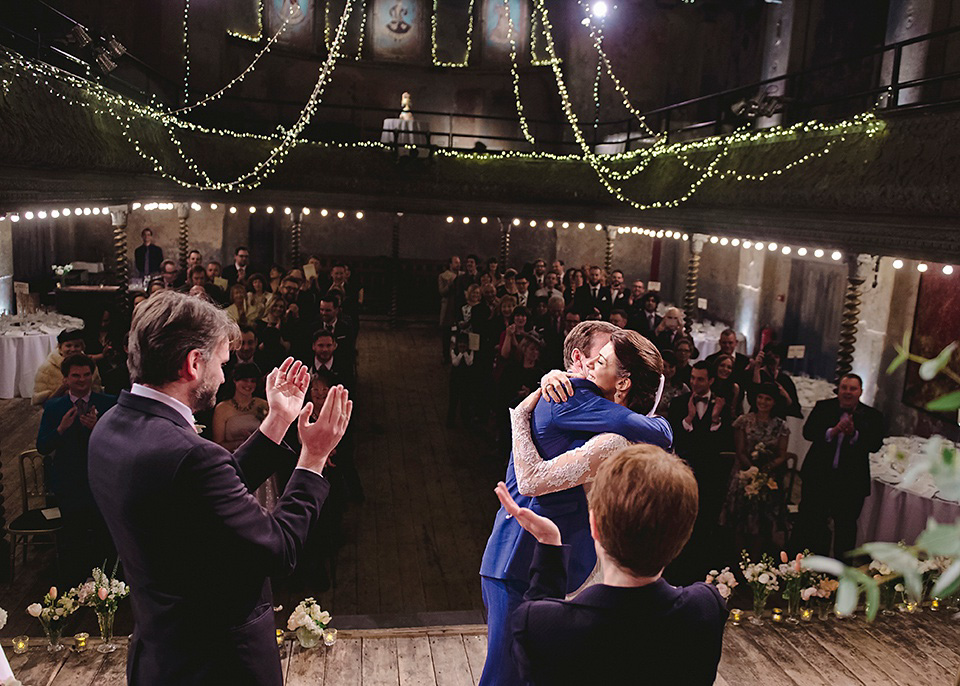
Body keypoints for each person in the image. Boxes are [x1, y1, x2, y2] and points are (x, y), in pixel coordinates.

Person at [88, 290, 352, 686]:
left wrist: (277, 420)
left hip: (159, 657)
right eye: (221, 363)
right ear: (194, 363)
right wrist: (313, 457)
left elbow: (198, 499)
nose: (224, 376)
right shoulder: (191, 456)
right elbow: (279, 549)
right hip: (219, 664)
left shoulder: (110, 427)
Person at [479, 323, 672, 686]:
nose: (594, 365)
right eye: (597, 356)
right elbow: (532, 480)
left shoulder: (603, 419)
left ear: (624, 381)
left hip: (568, 564)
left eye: (605, 359)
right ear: (578, 360)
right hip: (518, 560)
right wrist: (521, 413)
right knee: (505, 677)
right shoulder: (564, 398)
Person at [500, 444, 726, 686]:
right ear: (683, 534)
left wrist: (549, 546)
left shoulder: (539, 625)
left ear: (594, 525)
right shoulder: (706, 608)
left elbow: (537, 646)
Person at [36, 353, 117, 584]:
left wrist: (99, 428)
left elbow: (121, 444)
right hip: (69, 483)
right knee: (73, 537)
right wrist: (60, 429)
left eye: (86, 374)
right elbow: (42, 446)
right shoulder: (54, 407)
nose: (82, 380)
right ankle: (74, 584)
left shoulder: (108, 403)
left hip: (102, 481)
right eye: (76, 376)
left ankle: (108, 584)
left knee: (105, 536)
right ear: (65, 379)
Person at [795, 373, 884, 558]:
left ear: (860, 391)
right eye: (844, 388)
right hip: (819, 477)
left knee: (846, 529)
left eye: (853, 389)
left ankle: (841, 574)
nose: (848, 392)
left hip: (850, 483)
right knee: (812, 522)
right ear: (838, 389)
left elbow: (875, 445)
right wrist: (832, 432)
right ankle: (810, 565)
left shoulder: (872, 416)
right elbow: (808, 432)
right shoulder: (823, 407)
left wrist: (854, 435)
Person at [667, 361, 733, 584]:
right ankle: (678, 574)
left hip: (712, 475)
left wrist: (715, 420)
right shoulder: (678, 404)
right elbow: (673, 439)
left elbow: (726, 443)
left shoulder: (724, 405)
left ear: (711, 381)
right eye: (693, 378)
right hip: (684, 471)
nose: (694, 383)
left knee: (706, 522)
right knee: (682, 520)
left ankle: (702, 575)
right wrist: (688, 419)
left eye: (701, 379)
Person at [719, 383, 790, 555]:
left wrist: (766, 470)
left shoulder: (781, 426)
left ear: (774, 402)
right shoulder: (744, 421)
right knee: (740, 522)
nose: (763, 402)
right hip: (744, 474)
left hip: (768, 477)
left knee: (762, 524)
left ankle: (757, 561)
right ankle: (738, 559)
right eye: (760, 397)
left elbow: (782, 454)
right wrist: (752, 471)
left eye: (768, 399)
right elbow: (740, 450)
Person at [212, 363, 273, 508]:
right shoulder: (222, 409)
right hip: (234, 465)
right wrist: (241, 442)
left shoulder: (263, 405)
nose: (249, 385)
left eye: (253, 381)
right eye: (244, 380)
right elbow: (217, 444)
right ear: (235, 380)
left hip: (260, 465)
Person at [33, 329, 103, 405]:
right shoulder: (47, 369)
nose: (73, 349)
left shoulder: (89, 366)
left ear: (82, 347)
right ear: (60, 347)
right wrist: (62, 389)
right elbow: (41, 403)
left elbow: (97, 391)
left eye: (77, 346)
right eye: (68, 346)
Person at [748, 344, 801, 418]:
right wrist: (757, 367)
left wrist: (785, 394)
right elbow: (752, 398)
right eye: (770, 356)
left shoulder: (785, 379)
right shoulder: (758, 374)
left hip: (777, 420)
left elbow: (795, 408)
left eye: (776, 357)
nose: (773, 360)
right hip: (757, 418)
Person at [439, 256, 461, 361]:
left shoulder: (462, 275)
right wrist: (450, 285)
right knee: (446, 332)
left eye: (459, 262)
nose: (458, 265)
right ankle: (445, 355)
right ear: (450, 264)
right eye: (456, 263)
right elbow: (442, 292)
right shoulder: (444, 276)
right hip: (449, 306)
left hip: (458, 305)